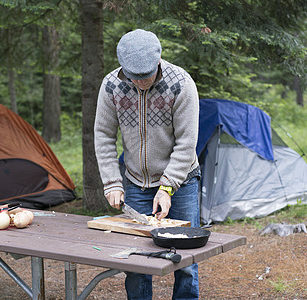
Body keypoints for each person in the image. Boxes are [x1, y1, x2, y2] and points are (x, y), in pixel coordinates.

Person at [94, 29, 201, 300]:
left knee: (186, 260)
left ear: (159, 60)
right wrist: (111, 182)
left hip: (182, 181)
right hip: (136, 184)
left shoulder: (181, 83)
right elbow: (104, 135)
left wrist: (167, 188)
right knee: (137, 260)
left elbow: (187, 143)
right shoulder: (111, 86)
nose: (142, 83)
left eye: (147, 76)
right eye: (135, 77)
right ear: (123, 68)